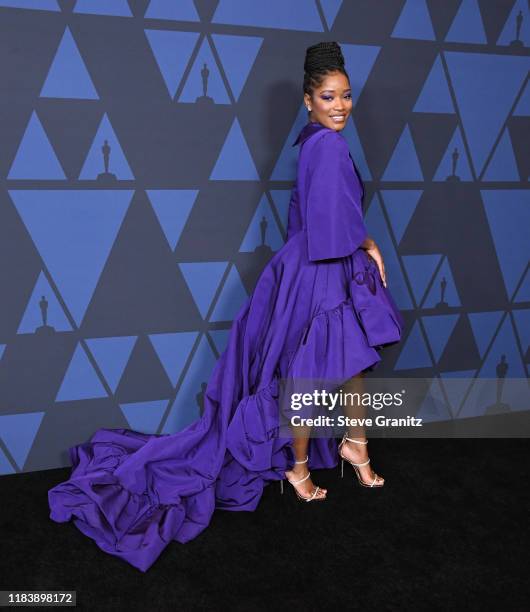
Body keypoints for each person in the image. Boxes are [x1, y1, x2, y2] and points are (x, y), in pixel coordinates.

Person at [48, 41, 403, 572]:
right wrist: (367, 245)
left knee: (346, 360)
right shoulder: (325, 146)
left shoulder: (312, 142)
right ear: (308, 100)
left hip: (311, 265)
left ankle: (355, 443)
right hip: (322, 269)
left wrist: (344, 249)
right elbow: (331, 227)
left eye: (347, 96)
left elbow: (306, 216)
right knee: (309, 373)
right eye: (328, 96)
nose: (340, 106)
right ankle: (300, 468)